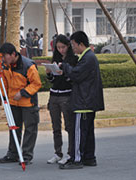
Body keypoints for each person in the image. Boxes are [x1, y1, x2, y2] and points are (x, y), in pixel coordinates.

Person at [59, 31, 104, 169]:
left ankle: (76, 159)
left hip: (83, 102)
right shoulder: (88, 57)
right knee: (88, 131)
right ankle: (89, 157)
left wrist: (64, 66)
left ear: (80, 44)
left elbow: (76, 74)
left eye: (73, 44)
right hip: (88, 101)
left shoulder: (88, 58)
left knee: (78, 132)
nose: (72, 48)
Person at [0, 42, 42, 165]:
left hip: (28, 103)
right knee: (13, 129)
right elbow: (4, 83)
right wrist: (4, 97)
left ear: (13, 54)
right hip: (13, 103)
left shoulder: (28, 65)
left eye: (5, 56)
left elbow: (36, 83)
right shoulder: (5, 66)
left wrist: (23, 93)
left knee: (30, 130)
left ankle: (26, 156)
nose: (3, 59)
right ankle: (13, 154)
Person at [46, 34, 78, 164]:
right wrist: (49, 74)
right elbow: (53, 81)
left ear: (68, 46)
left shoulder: (73, 60)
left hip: (66, 95)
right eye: (58, 47)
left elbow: (74, 79)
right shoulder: (56, 58)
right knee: (55, 126)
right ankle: (57, 152)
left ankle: (70, 153)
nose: (61, 50)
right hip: (54, 95)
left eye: (63, 47)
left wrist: (64, 72)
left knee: (69, 126)